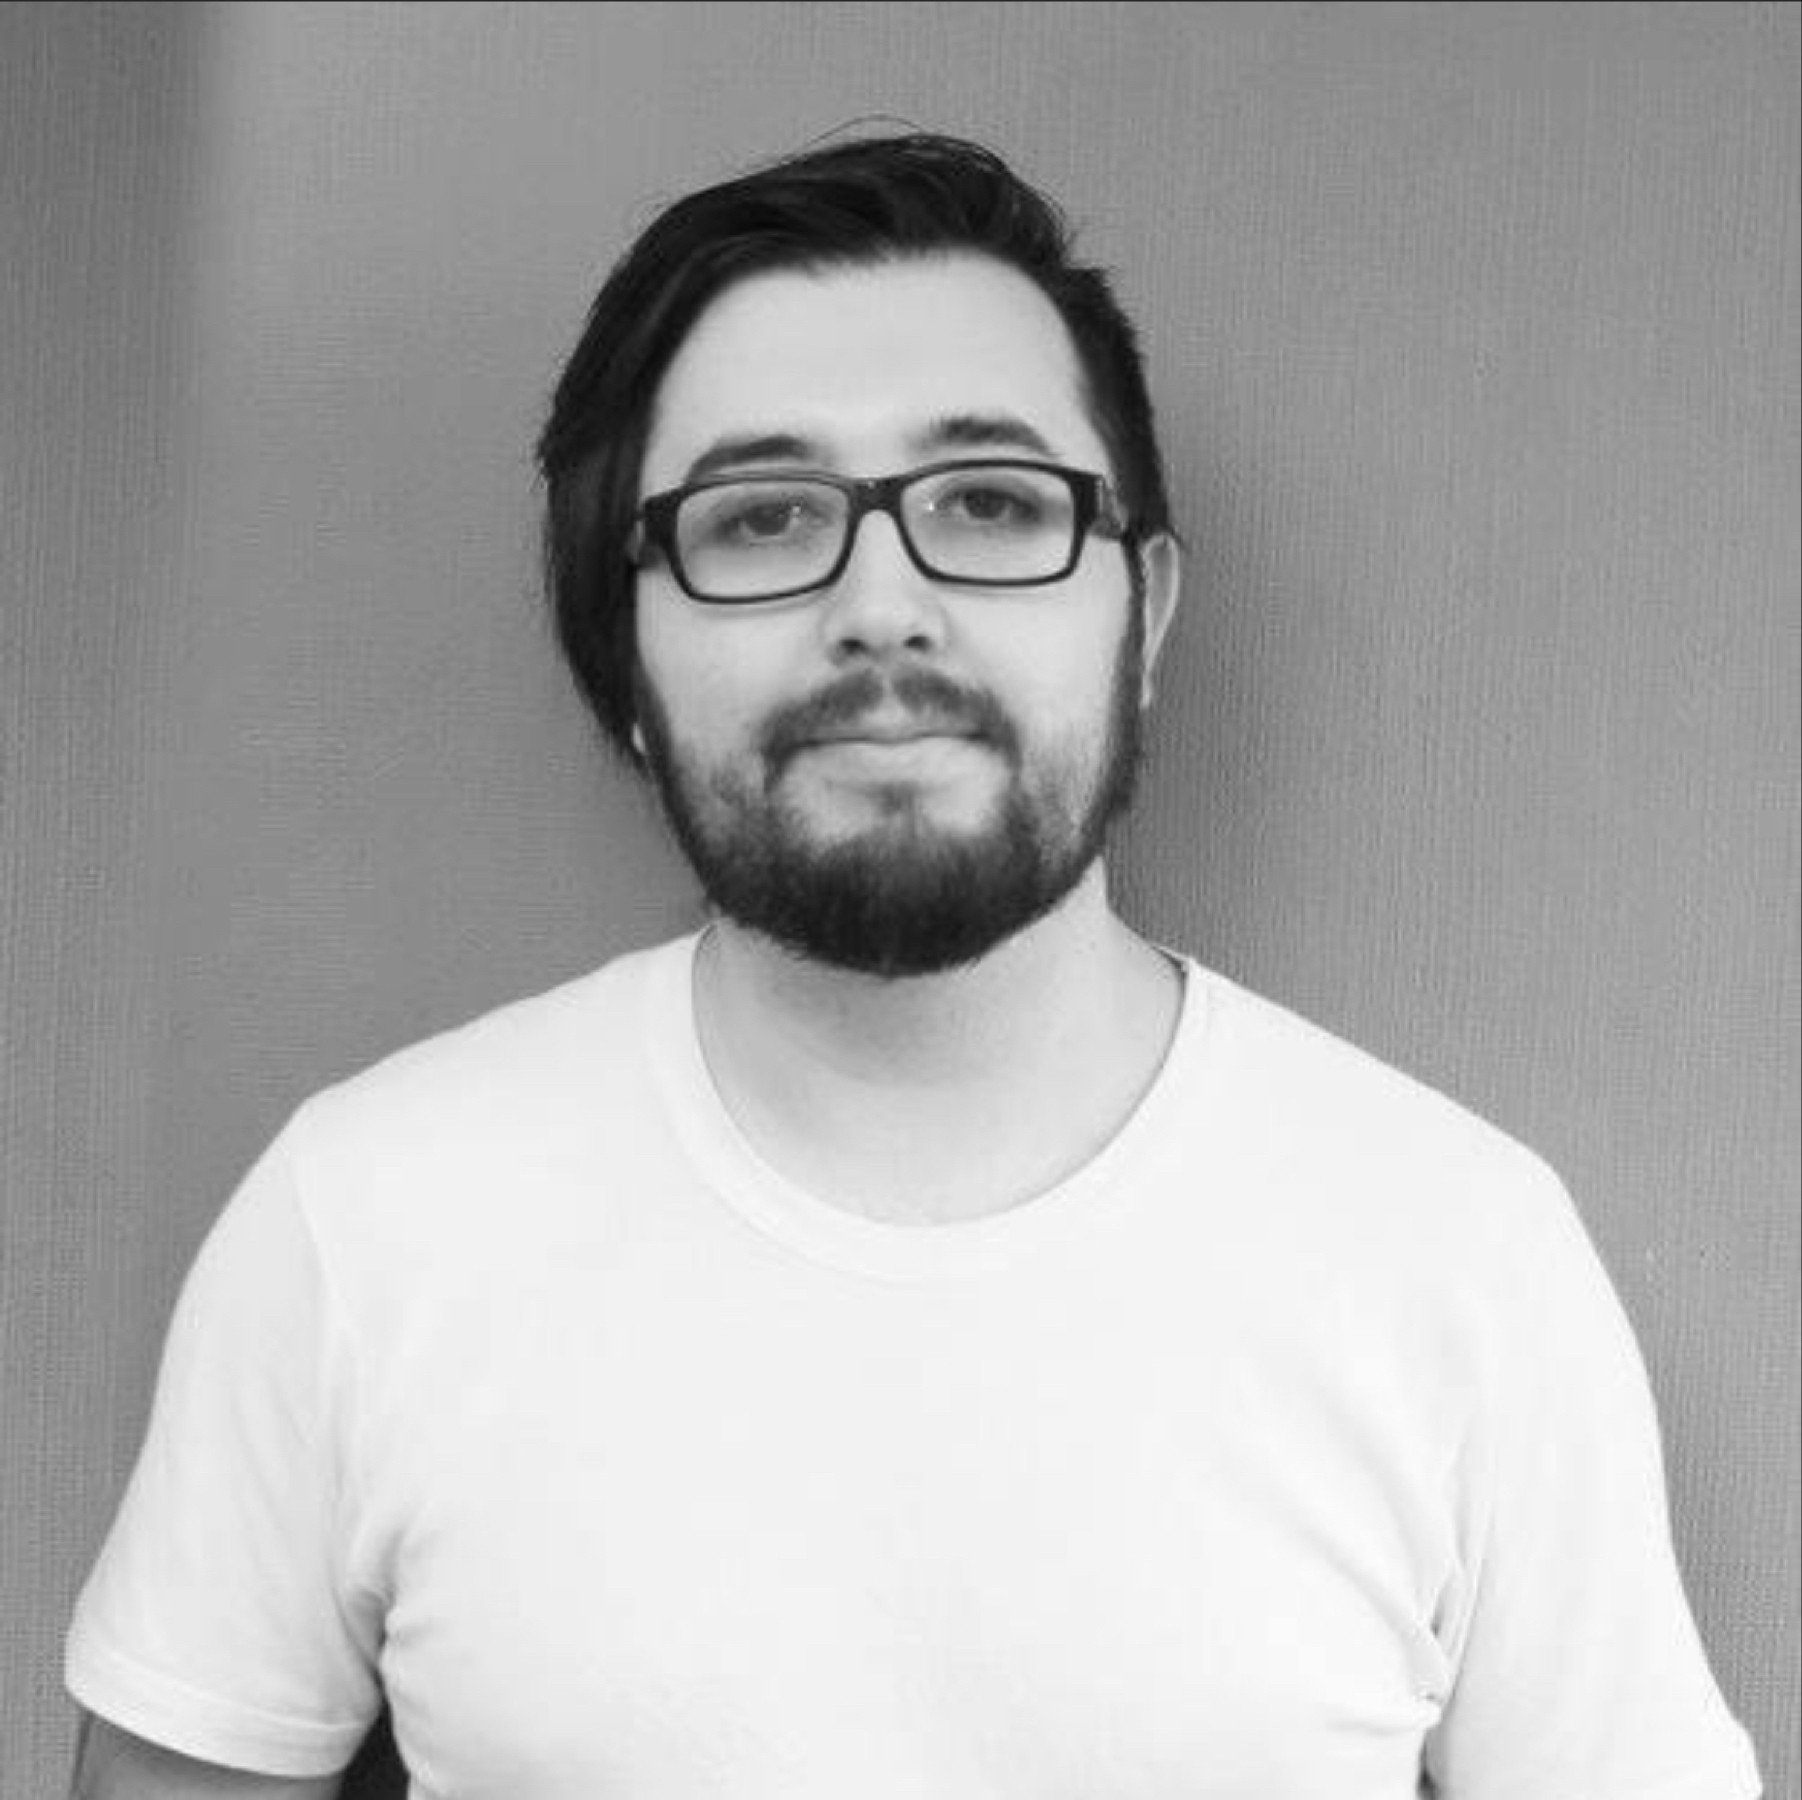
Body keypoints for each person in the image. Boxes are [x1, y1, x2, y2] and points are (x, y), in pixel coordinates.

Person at [65, 131, 1762, 1800]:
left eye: (992, 504)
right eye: (759, 518)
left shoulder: (1457, 1259)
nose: (881, 608)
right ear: (626, 658)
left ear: (1144, 618)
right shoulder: (365, 1221)